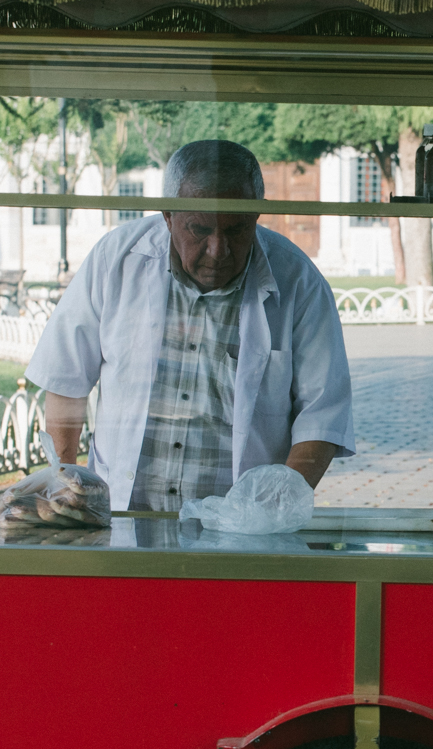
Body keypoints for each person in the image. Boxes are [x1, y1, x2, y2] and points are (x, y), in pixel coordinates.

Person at [26, 140, 354, 512]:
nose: (218, 250)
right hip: (123, 514)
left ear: (257, 217)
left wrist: (270, 511)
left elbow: (322, 416)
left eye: (236, 230)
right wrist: (65, 483)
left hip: (242, 527)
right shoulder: (116, 260)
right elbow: (65, 378)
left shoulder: (298, 281)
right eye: (199, 229)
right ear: (168, 217)